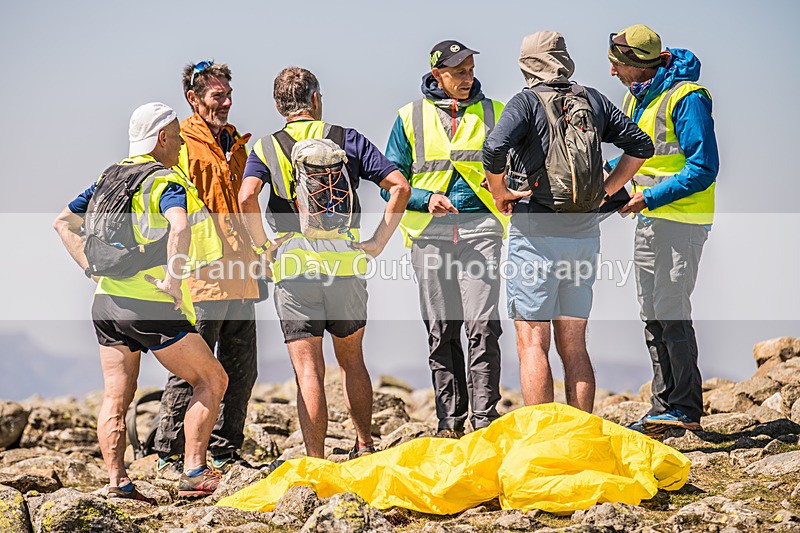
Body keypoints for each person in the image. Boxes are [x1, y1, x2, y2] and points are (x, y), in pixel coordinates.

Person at [52, 102, 229, 500]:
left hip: (106, 304)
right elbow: (179, 226)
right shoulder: (165, 181)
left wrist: (89, 268)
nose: (182, 143)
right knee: (212, 378)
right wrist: (174, 277)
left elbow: (61, 221)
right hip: (148, 304)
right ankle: (195, 471)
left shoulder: (107, 177)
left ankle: (118, 483)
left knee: (117, 395)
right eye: (178, 136)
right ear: (162, 138)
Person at [238, 67, 410, 459]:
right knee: (352, 362)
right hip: (346, 267)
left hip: (295, 271)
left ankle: (315, 461)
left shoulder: (267, 148)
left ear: (280, 105)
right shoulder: (347, 139)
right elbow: (399, 186)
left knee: (309, 371)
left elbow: (247, 197)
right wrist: (379, 242)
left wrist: (265, 246)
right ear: (315, 98)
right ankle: (365, 444)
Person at [483, 31, 654, 413]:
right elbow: (642, 145)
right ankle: (580, 435)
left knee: (532, 341)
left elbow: (493, 148)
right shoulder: (592, 99)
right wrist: (606, 190)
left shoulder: (526, 102)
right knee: (574, 343)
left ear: (527, 64)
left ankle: (543, 440)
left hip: (535, 233)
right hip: (583, 233)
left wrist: (500, 192)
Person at [384, 40, 506, 438]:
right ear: (438, 75)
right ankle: (449, 422)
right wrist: (422, 198)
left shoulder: (496, 112)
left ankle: (485, 419)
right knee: (442, 328)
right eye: (458, 72)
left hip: (481, 230)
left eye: (470, 69)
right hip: (428, 235)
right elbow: (390, 185)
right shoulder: (408, 117)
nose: (468, 78)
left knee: (483, 325)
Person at [608, 25, 719, 436]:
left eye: (617, 64)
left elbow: (703, 167)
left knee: (672, 313)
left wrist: (650, 197)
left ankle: (685, 408)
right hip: (648, 218)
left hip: (681, 220)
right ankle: (663, 407)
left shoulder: (687, 98)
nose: (613, 72)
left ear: (637, 65)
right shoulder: (635, 96)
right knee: (652, 314)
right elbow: (635, 161)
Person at [153, 61, 260, 477]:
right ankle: (169, 453)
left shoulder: (235, 142)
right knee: (194, 369)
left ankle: (224, 451)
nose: (227, 103)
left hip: (241, 273)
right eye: (217, 96)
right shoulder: (182, 145)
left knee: (241, 369)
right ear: (193, 99)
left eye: (228, 94)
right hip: (200, 274)